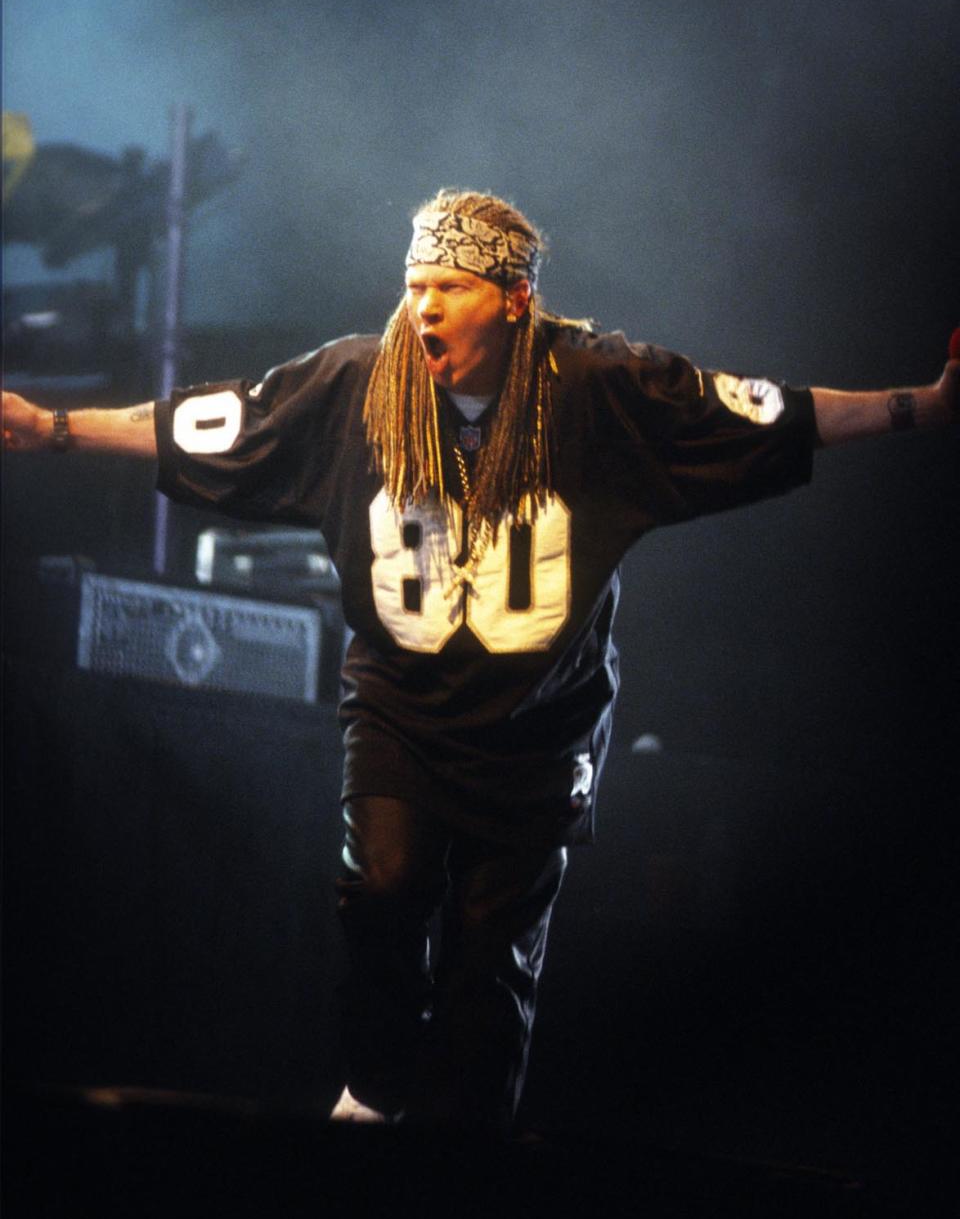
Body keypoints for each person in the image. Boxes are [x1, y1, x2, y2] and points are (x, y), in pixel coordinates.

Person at [3, 189, 957, 1129]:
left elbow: (773, 417)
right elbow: (202, 424)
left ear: (511, 300)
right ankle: (373, 1089)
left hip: (540, 727)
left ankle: (464, 1169)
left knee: (489, 977)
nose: (422, 305)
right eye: (414, 283)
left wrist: (927, 406)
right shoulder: (356, 386)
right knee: (382, 889)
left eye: (449, 286)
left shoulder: (600, 387)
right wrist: (48, 428)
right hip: (400, 709)